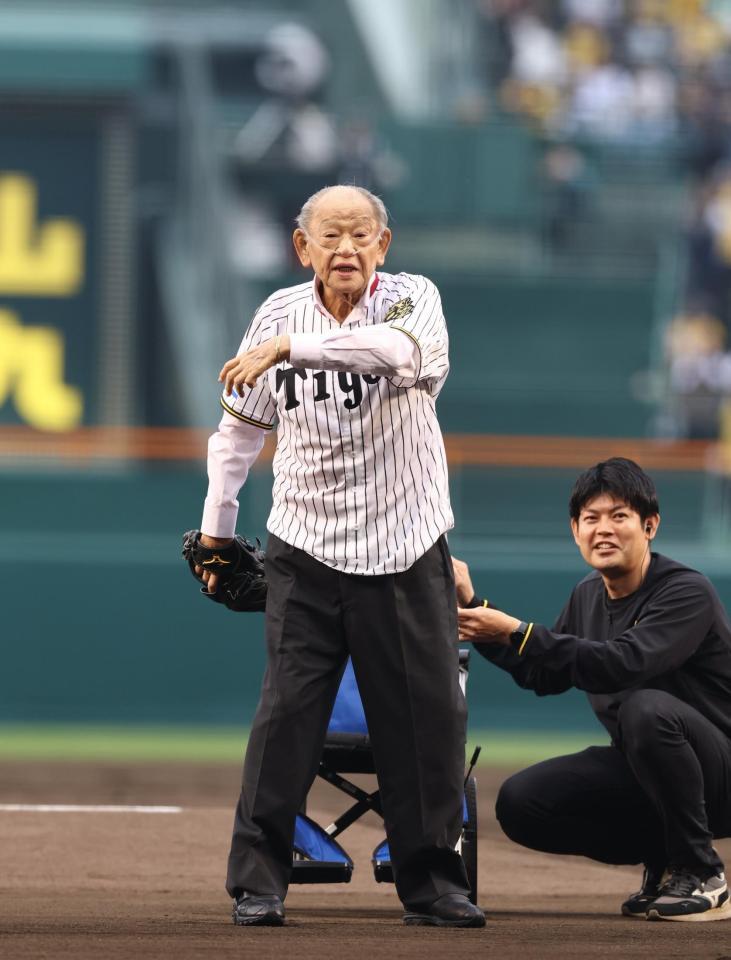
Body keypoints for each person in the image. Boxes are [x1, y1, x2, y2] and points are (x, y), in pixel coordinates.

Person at [193, 184, 484, 929]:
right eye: (331, 235)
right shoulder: (275, 314)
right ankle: (259, 882)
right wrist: (218, 531)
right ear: (303, 248)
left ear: (383, 246)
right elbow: (237, 436)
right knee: (285, 715)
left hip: (404, 540)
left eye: (361, 235)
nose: (347, 248)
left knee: (422, 718)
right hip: (306, 545)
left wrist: (293, 348)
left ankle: (432, 883)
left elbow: (397, 356)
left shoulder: (411, 299)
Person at [455, 457, 731, 922]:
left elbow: (622, 665)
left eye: (618, 516)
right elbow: (540, 673)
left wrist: (516, 629)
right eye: (591, 518)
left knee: (644, 710)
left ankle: (703, 872)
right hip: (649, 772)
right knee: (523, 802)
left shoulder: (686, 592)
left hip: (720, 775)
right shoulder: (588, 594)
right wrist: (475, 606)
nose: (603, 529)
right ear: (575, 530)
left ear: (650, 526)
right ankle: (663, 860)